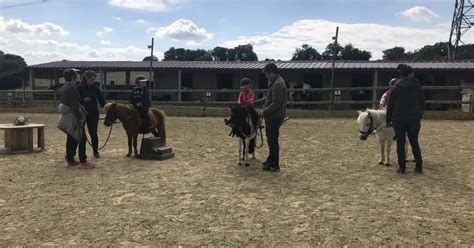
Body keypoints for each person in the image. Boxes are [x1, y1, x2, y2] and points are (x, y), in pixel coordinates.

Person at [387, 64, 425, 174]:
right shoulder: (418, 86)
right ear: (411, 74)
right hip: (414, 119)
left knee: (400, 143)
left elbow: (390, 105)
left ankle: (402, 167)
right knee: (414, 142)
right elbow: (422, 103)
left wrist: (388, 119)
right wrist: (419, 115)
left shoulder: (395, 87)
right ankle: (418, 167)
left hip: (398, 119)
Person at [57, 68, 95, 169]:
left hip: (67, 115)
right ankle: (83, 161)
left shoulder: (64, 87)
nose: (78, 75)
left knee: (71, 137)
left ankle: (70, 159)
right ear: (73, 77)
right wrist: (80, 118)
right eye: (76, 74)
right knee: (82, 138)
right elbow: (75, 106)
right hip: (73, 115)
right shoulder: (72, 88)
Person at [259, 63, 287, 172]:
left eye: (267, 74)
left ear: (271, 72)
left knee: (272, 140)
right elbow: (269, 97)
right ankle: (271, 160)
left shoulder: (278, 84)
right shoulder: (275, 82)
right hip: (272, 115)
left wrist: (264, 111)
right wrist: (257, 102)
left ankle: (274, 164)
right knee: (271, 139)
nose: (266, 76)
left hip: (274, 116)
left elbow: (276, 103)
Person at [77, 70, 106, 159]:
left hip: (93, 113)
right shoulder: (79, 88)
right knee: (81, 134)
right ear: (86, 78)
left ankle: (95, 151)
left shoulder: (96, 89)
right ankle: (81, 154)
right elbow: (75, 100)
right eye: (92, 79)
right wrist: (82, 100)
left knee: (93, 133)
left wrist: (108, 108)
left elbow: (102, 101)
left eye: (94, 79)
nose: (93, 81)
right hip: (82, 113)